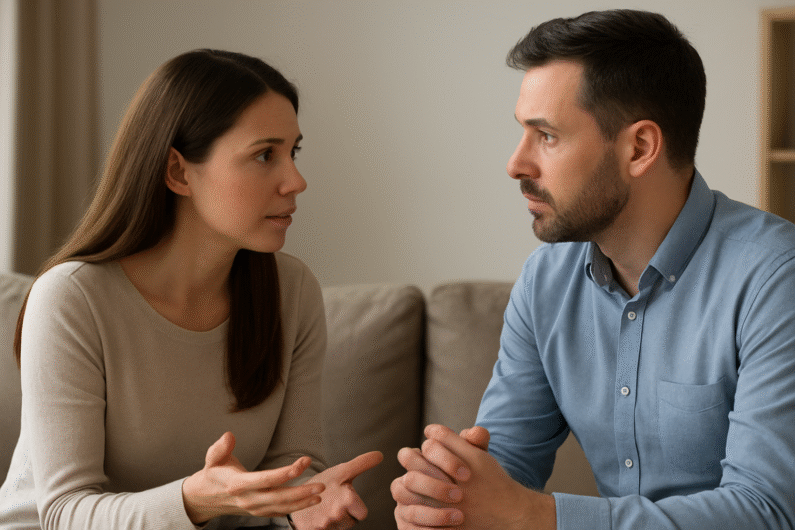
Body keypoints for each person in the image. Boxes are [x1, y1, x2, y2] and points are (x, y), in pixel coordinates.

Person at [392, 9, 795, 530]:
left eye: (547, 136)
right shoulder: (547, 282)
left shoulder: (775, 277)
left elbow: (767, 511)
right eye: (523, 133)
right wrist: (446, 499)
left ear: (639, 148)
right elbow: (505, 466)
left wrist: (538, 516)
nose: (516, 163)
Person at [0, 49, 382, 530]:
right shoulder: (72, 298)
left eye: (293, 152)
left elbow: (289, 468)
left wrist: (302, 510)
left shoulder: (293, 291)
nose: (296, 180)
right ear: (179, 171)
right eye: (265, 154)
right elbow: (63, 512)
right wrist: (193, 501)